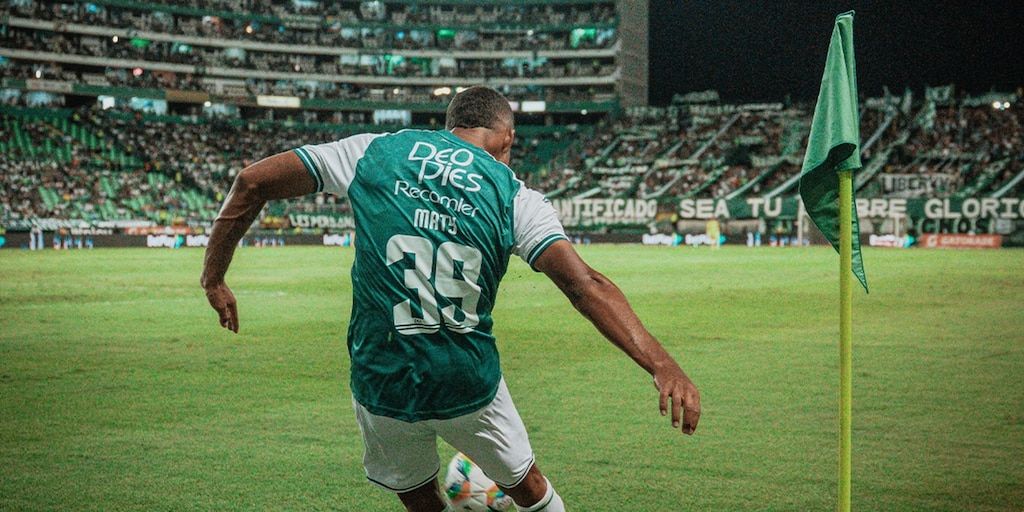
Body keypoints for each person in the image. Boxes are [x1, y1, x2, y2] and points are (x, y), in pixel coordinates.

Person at [201, 86, 700, 512]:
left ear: (451, 125)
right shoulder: (514, 195)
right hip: (467, 381)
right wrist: (662, 365)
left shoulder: (374, 151)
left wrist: (214, 279)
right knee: (530, 490)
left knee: (421, 500)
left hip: (383, 380)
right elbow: (584, 285)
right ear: (507, 138)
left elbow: (252, 181)